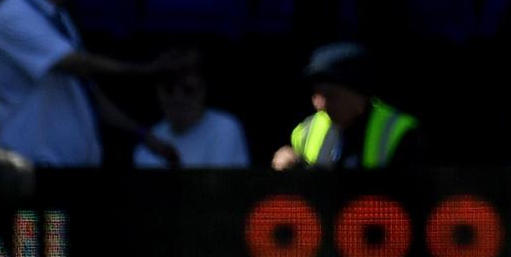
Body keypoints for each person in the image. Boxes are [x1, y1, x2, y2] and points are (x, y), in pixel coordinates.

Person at [0, 0, 184, 166]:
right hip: (33, 172)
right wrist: (148, 69)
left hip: (70, 172)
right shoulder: (11, 15)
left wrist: (143, 135)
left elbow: (86, 92)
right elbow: (80, 65)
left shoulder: (58, 16)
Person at [274, 40, 423, 169]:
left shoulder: (399, 133)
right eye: (315, 94)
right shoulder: (306, 131)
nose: (320, 105)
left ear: (359, 94)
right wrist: (291, 167)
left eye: (331, 96)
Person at [134, 54, 250, 168]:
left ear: (203, 90)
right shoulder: (151, 139)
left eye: (188, 90)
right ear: (158, 92)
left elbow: (216, 184)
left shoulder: (225, 128)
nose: (178, 97)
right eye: (169, 89)